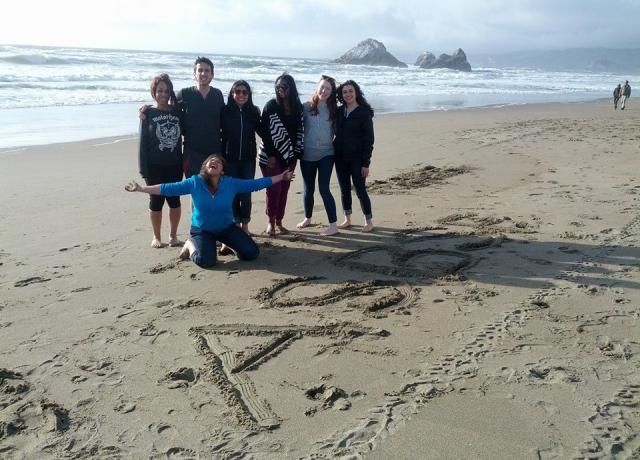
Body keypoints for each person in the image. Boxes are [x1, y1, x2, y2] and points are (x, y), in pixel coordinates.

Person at [125, 154, 295, 268]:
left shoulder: (230, 183)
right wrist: (141, 189)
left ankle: (228, 243)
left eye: (218, 162)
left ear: (222, 169)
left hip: (226, 228)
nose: (214, 162)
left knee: (251, 253)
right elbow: (167, 188)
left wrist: (281, 176)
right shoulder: (194, 182)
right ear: (204, 167)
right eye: (210, 161)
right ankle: (190, 243)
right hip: (202, 230)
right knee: (206, 262)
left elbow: (255, 184)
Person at [140, 57, 224, 178]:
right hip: (192, 153)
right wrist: (148, 108)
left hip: (214, 153)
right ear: (194, 74)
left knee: (213, 191)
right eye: (200, 70)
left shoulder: (218, 95)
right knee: (195, 191)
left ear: (212, 74)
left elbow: (226, 115)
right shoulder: (185, 94)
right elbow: (167, 108)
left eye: (207, 70)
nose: (203, 73)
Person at [138, 73, 183, 248]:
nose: (163, 93)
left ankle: (173, 236)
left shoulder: (178, 112)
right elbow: (142, 142)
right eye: (159, 90)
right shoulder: (147, 113)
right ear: (154, 92)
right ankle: (156, 237)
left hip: (174, 164)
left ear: (171, 92)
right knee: (156, 202)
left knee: (174, 200)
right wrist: (143, 168)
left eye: (166, 90)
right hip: (154, 166)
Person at [258, 73, 304, 236]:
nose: (280, 90)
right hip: (270, 155)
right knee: (274, 189)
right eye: (277, 87)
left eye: (283, 86)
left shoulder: (297, 107)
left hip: (290, 156)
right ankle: (270, 222)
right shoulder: (271, 105)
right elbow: (265, 131)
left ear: (291, 88)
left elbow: (299, 131)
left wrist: (296, 154)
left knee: (284, 188)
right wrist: (271, 154)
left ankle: (279, 222)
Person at [296, 75, 339, 236]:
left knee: (324, 188)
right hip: (307, 154)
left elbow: (340, 131)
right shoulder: (306, 107)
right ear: (317, 87)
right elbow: (292, 120)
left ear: (331, 92)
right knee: (308, 189)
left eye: (328, 88)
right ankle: (308, 218)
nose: (324, 90)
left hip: (327, 153)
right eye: (322, 87)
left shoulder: (334, 110)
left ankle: (333, 225)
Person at [221, 80, 262, 236]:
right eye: (237, 91)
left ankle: (245, 226)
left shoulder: (253, 112)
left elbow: (264, 131)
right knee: (232, 193)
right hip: (229, 159)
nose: (241, 95)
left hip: (248, 160)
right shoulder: (224, 111)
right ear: (232, 94)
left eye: (245, 92)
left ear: (249, 95)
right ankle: (235, 224)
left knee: (246, 193)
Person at [334, 80, 375, 233]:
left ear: (356, 92)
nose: (348, 94)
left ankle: (368, 221)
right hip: (340, 157)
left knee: (360, 189)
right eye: (345, 92)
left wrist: (366, 163)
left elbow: (369, 140)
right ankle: (347, 219)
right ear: (342, 95)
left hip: (357, 159)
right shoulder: (339, 111)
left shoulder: (363, 113)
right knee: (344, 189)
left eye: (350, 91)